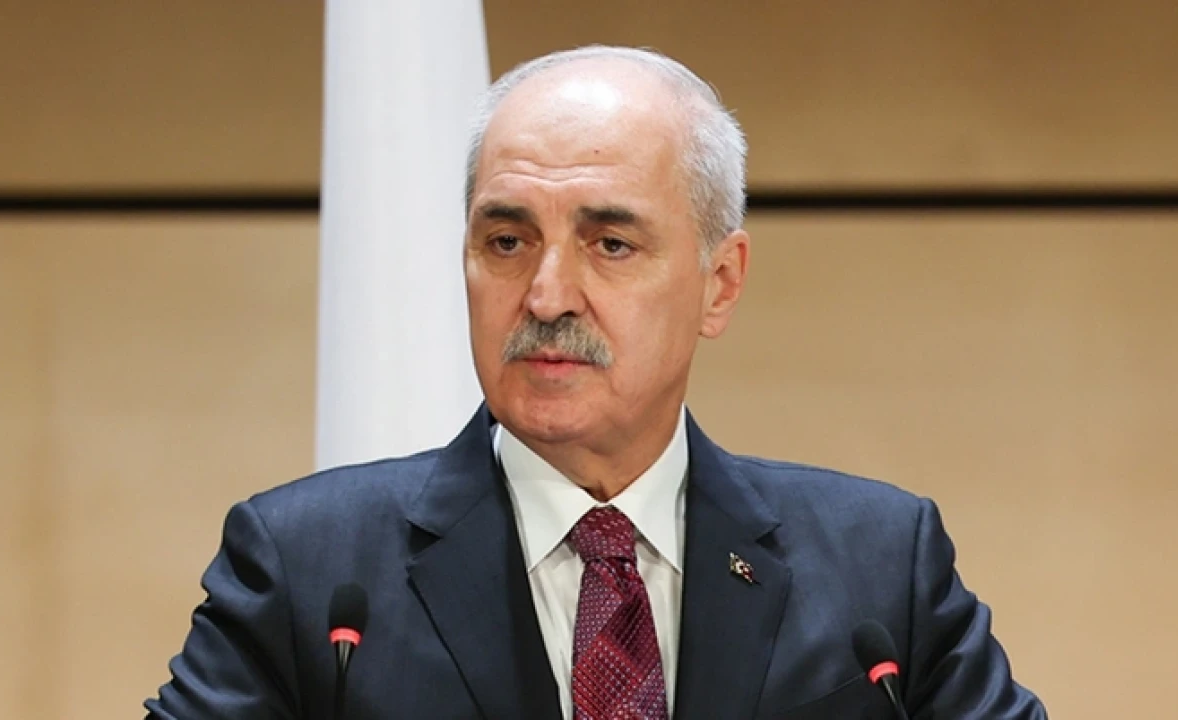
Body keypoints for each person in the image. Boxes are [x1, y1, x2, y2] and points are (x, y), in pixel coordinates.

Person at [146, 45, 1046, 719]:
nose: (545, 295)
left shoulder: (878, 572)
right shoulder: (311, 575)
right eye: (507, 241)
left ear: (719, 283)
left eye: (610, 244)